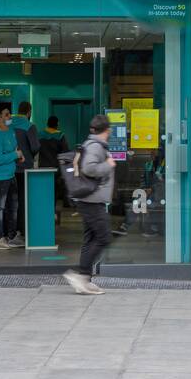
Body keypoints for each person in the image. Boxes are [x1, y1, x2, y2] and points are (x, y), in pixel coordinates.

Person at [63, 115, 116, 296]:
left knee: (91, 238)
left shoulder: (90, 144)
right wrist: (107, 165)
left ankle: (84, 278)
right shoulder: (95, 146)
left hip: (88, 199)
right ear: (107, 130)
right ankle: (81, 275)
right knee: (104, 237)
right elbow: (89, 168)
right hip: (92, 200)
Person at [0, 106, 25, 250]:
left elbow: (13, 149)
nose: (10, 117)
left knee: (13, 208)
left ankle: (12, 236)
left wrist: (19, 156)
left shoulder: (10, 131)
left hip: (10, 175)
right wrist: (15, 155)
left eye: (9, 114)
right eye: (7, 115)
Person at [10, 101, 41, 243]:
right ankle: (21, 232)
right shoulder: (29, 126)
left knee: (9, 200)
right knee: (23, 201)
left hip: (7, 168)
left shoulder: (8, 124)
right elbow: (35, 147)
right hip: (24, 169)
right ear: (29, 112)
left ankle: (8, 233)